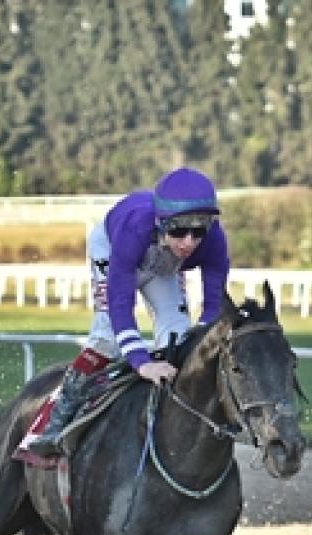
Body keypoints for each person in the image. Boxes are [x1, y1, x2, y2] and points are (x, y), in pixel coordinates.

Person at [22, 166, 229, 457]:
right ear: (161, 222)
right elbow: (120, 304)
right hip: (114, 248)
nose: (189, 242)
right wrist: (141, 362)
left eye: (199, 231)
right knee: (108, 337)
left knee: (180, 336)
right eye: (179, 230)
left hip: (161, 259)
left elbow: (213, 307)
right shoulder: (134, 230)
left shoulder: (214, 240)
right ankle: (58, 417)